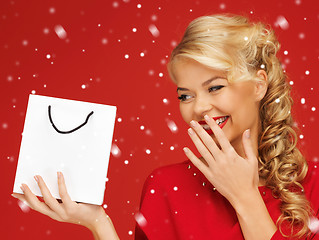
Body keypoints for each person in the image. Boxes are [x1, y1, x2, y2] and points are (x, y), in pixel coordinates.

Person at [11, 13, 319, 240]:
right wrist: (98, 222)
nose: (198, 108)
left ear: (258, 85)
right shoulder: (166, 186)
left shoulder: (312, 185)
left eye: (214, 88)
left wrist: (244, 196)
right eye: (186, 95)